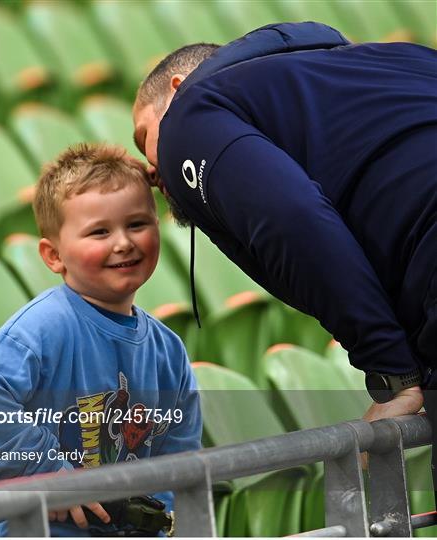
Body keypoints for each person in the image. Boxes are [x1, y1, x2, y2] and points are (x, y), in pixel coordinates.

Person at [133, 22, 436, 496]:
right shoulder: (394, 59)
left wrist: (393, 373)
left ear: (177, 87)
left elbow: (290, 216)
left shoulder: (189, 115)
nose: (154, 171)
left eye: (142, 138)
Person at [0, 143, 202, 536]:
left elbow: (177, 465)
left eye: (137, 224)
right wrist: (53, 475)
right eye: (99, 231)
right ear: (54, 256)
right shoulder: (44, 327)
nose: (123, 242)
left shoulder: (168, 351)